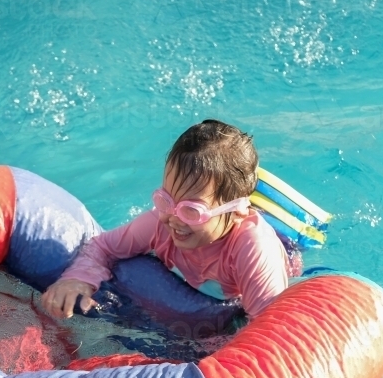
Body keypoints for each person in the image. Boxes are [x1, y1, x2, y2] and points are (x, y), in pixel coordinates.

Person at [41, 119, 292, 321]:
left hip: (268, 268)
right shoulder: (159, 223)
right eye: (165, 200)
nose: (173, 218)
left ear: (236, 211)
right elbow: (102, 247)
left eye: (191, 210)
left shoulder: (252, 249)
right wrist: (78, 279)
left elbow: (268, 327)